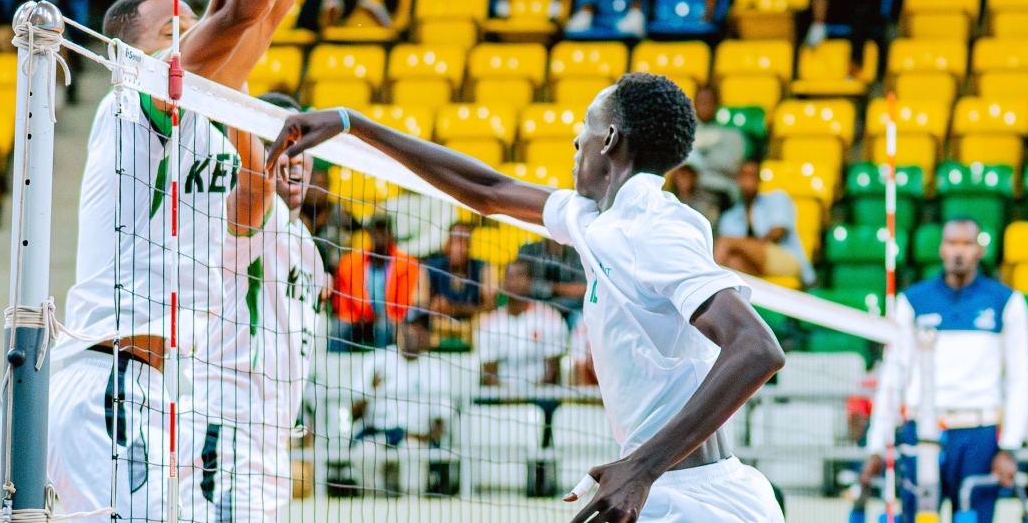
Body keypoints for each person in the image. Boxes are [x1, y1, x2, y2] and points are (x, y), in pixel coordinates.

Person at [47, 0, 393, 521]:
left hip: (160, 388)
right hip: (109, 380)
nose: (191, 35)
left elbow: (265, 14)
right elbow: (236, 12)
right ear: (128, 55)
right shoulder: (132, 104)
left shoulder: (207, 121)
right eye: (171, 31)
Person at [267, 72, 787, 522]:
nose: (574, 142)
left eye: (585, 127)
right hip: (667, 485)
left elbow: (756, 348)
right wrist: (353, 123)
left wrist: (640, 468)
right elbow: (487, 188)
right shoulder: (598, 220)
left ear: (608, 139)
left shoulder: (650, 225)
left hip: (696, 498)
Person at [180, 92, 327, 523]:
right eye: (280, 145)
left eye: (302, 149)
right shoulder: (250, 216)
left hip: (273, 445)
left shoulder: (311, 252)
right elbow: (252, 190)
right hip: (229, 433)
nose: (293, 159)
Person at [857, 218, 1028, 523]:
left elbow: (1020, 379)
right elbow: (893, 376)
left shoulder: (1007, 302)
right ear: (941, 249)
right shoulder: (912, 301)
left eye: (967, 243)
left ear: (980, 250)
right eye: (952, 243)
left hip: (979, 432)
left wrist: (1010, 446)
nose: (959, 251)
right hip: (921, 431)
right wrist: (876, 445)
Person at [715, 160, 816, 286]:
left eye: (751, 175)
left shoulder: (776, 198)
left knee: (725, 242)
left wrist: (747, 246)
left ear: (759, 180)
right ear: (737, 180)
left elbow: (778, 233)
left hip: (785, 258)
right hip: (754, 266)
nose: (747, 180)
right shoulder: (729, 217)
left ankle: (707, 285)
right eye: (743, 175)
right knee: (732, 263)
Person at [331, 213, 422, 351]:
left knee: (383, 327)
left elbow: (406, 305)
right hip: (357, 320)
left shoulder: (408, 265)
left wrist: (382, 316)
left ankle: (382, 369)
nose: (379, 234)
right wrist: (360, 316)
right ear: (369, 234)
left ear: (390, 234)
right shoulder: (349, 263)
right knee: (339, 327)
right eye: (375, 230)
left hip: (390, 320)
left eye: (383, 230)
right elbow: (341, 303)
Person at [351, 320, 448, 449]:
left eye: (420, 328)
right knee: (367, 451)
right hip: (376, 434)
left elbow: (441, 422)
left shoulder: (436, 368)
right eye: (409, 326)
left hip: (415, 438)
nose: (413, 332)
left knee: (411, 451)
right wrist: (371, 390)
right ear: (399, 330)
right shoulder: (375, 360)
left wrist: (423, 438)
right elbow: (354, 414)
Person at [478, 259, 569, 387]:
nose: (515, 281)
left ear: (530, 281)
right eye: (510, 276)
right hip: (501, 399)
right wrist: (510, 399)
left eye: (520, 275)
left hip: (541, 397)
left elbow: (552, 372)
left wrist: (529, 397)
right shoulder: (490, 324)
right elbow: (489, 374)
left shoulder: (550, 318)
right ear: (503, 283)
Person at [421, 222, 498, 320]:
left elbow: (491, 307)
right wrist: (433, 306)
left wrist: (453, 308)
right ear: (447, 244)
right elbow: (420, 306)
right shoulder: (431, 267)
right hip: (438, 327)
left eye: (466, 242)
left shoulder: (484, 267)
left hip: (473, 328)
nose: (461, 248)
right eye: (457, 241)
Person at [688, 85, 746, 204]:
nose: (705, 105)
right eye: (701, 101)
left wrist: (695, 163)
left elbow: (730, 165)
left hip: (720, 193)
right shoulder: (684, 133)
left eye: (709, 101)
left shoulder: (732, 135)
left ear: (717, 103)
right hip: (689, 191)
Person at [517, 234, 587, 327]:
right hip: (537, 310)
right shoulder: (529, 250)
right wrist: (565, 289)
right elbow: (521, 284)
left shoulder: (576, 252)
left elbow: (582, 289)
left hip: (571, 311)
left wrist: (549, 287)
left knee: (582, 325)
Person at [301, 165, 360, 273]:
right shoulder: (295, 211)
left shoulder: (338, 211)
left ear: (328, 186)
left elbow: (359, 230)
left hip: (334, 275)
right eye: (312, 184)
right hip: (302, 271)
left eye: (320, 184)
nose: (316, 190)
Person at [379, 190, 456, 258]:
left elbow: (437, 241)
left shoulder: (440, 202)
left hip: (431, 259)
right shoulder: (393, 203)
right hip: (399, 258)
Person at [668, 163, 720, 229]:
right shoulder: (667, 199)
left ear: (695, 176)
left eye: (689, 174)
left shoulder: (708, 203)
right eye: (682, 174)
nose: (685, 178)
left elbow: (709, 227)